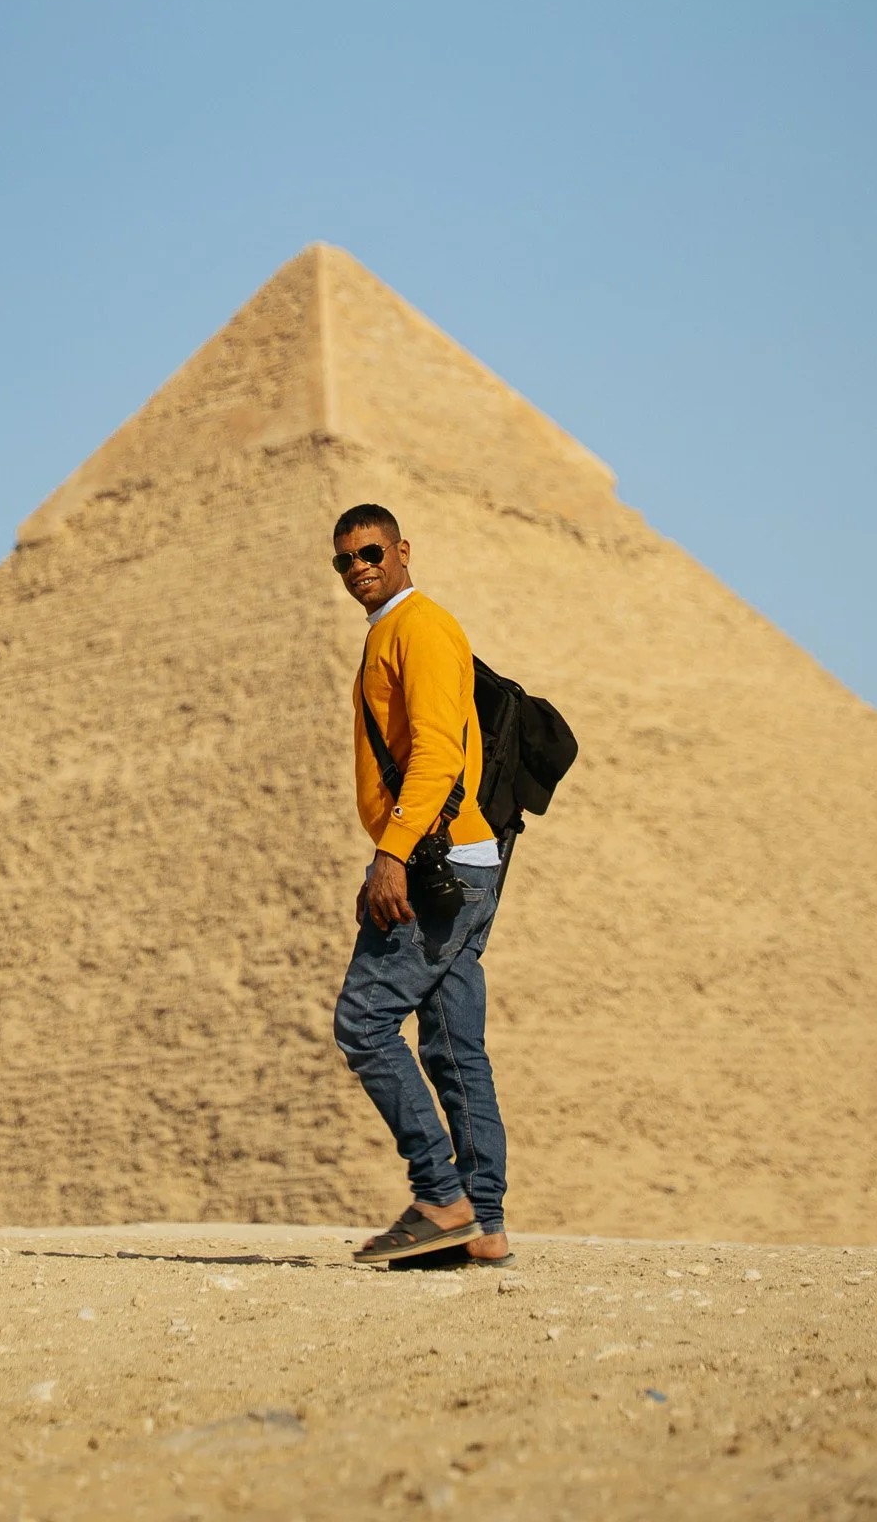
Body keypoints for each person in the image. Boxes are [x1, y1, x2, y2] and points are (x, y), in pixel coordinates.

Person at [331, 504, 512, 1266]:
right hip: (459, 859)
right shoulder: (391, 630)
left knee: (363, 1022)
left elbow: (438, 752)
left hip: (437, 864)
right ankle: (483, 1225)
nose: (358, 568)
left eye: (371, 552)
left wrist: (392, 855)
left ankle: (440, 1198)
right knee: (452, 1045)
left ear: (402, 549)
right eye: (344, 559)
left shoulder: (420, 626)